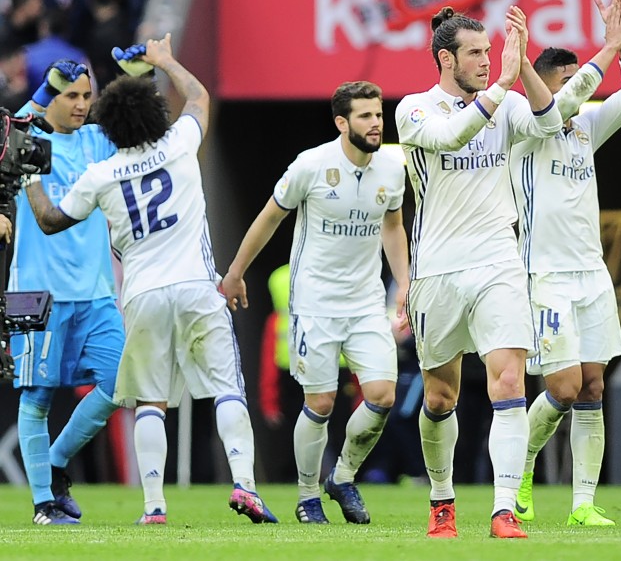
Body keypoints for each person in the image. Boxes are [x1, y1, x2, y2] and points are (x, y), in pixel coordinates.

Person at [24, 34, 277, 525]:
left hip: (141, 295)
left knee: (150, 402)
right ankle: (245, 485)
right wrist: (165, 61)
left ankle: (154, 507)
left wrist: (32, 178)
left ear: (108, 125)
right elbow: (199, 97)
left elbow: (52, 220)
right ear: (156, 114)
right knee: (227, 389)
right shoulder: (179, 143)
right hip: (197, 285)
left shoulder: (101, 173)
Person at [396, 4, 574, 539]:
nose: (486, 60)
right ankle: (442, 500)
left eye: (490, 51)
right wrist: (500, 85)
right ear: (446, 59)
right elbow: (452, 136)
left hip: (498, 260)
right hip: (437, 270)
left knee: (510, 381)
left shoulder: (508, 100)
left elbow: (550, 123)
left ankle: (503, 510)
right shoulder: (413, 109)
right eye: (474, 53)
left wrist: (523, 70)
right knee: (439, 398)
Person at [220, 81, 409, 525]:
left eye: (378, 114)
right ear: (342, 122)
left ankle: (341, 477)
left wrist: (403, 282)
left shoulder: (391, 168)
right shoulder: (311, 165)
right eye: (365, 116)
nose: (376, 123)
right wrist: (235, 272)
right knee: (320, 402)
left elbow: (393, 227)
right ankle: (308, 497)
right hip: (314, 303)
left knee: (382, 396)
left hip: (365, 303)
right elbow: (269, 217)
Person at [508, 0, 621, 527]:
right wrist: (606, 48)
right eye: (564, 82)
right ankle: (521, 462)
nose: (577, 93)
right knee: (562, 387)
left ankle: (583, 505)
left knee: (592, 386)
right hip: (545, 276)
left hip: (592, 275)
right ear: (542, 87)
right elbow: (563, 103)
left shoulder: (585, 130)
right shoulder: (526, 131)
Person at [9, 60, 122, 526]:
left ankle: (55, 463)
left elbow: (138, 126)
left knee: (120, 383)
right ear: (51, 96)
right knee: (37, 397)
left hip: (96, 291)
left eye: (86, 96)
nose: (81, 105)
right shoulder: (27, 140)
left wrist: (140, 75)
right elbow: (13, 124)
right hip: (35, 291)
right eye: (70, 95)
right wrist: (40, 91)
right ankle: (43, 505)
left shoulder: (97, 140)